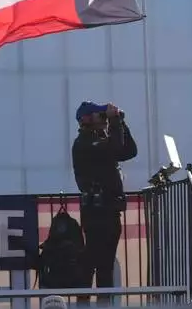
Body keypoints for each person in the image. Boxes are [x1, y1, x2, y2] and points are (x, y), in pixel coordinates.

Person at [71, 101, 138, 301]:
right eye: (98, 114)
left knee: (105, 265)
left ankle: (104, 304)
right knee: (91, 261)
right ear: (86, 119)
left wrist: (121, 123)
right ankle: (83, 303)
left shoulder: (101, 140)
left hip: (109, 210)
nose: (103, 117)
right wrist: (114, 122)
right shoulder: (84, 143)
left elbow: (129, 151)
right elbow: (114, 148)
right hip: (96, 212)